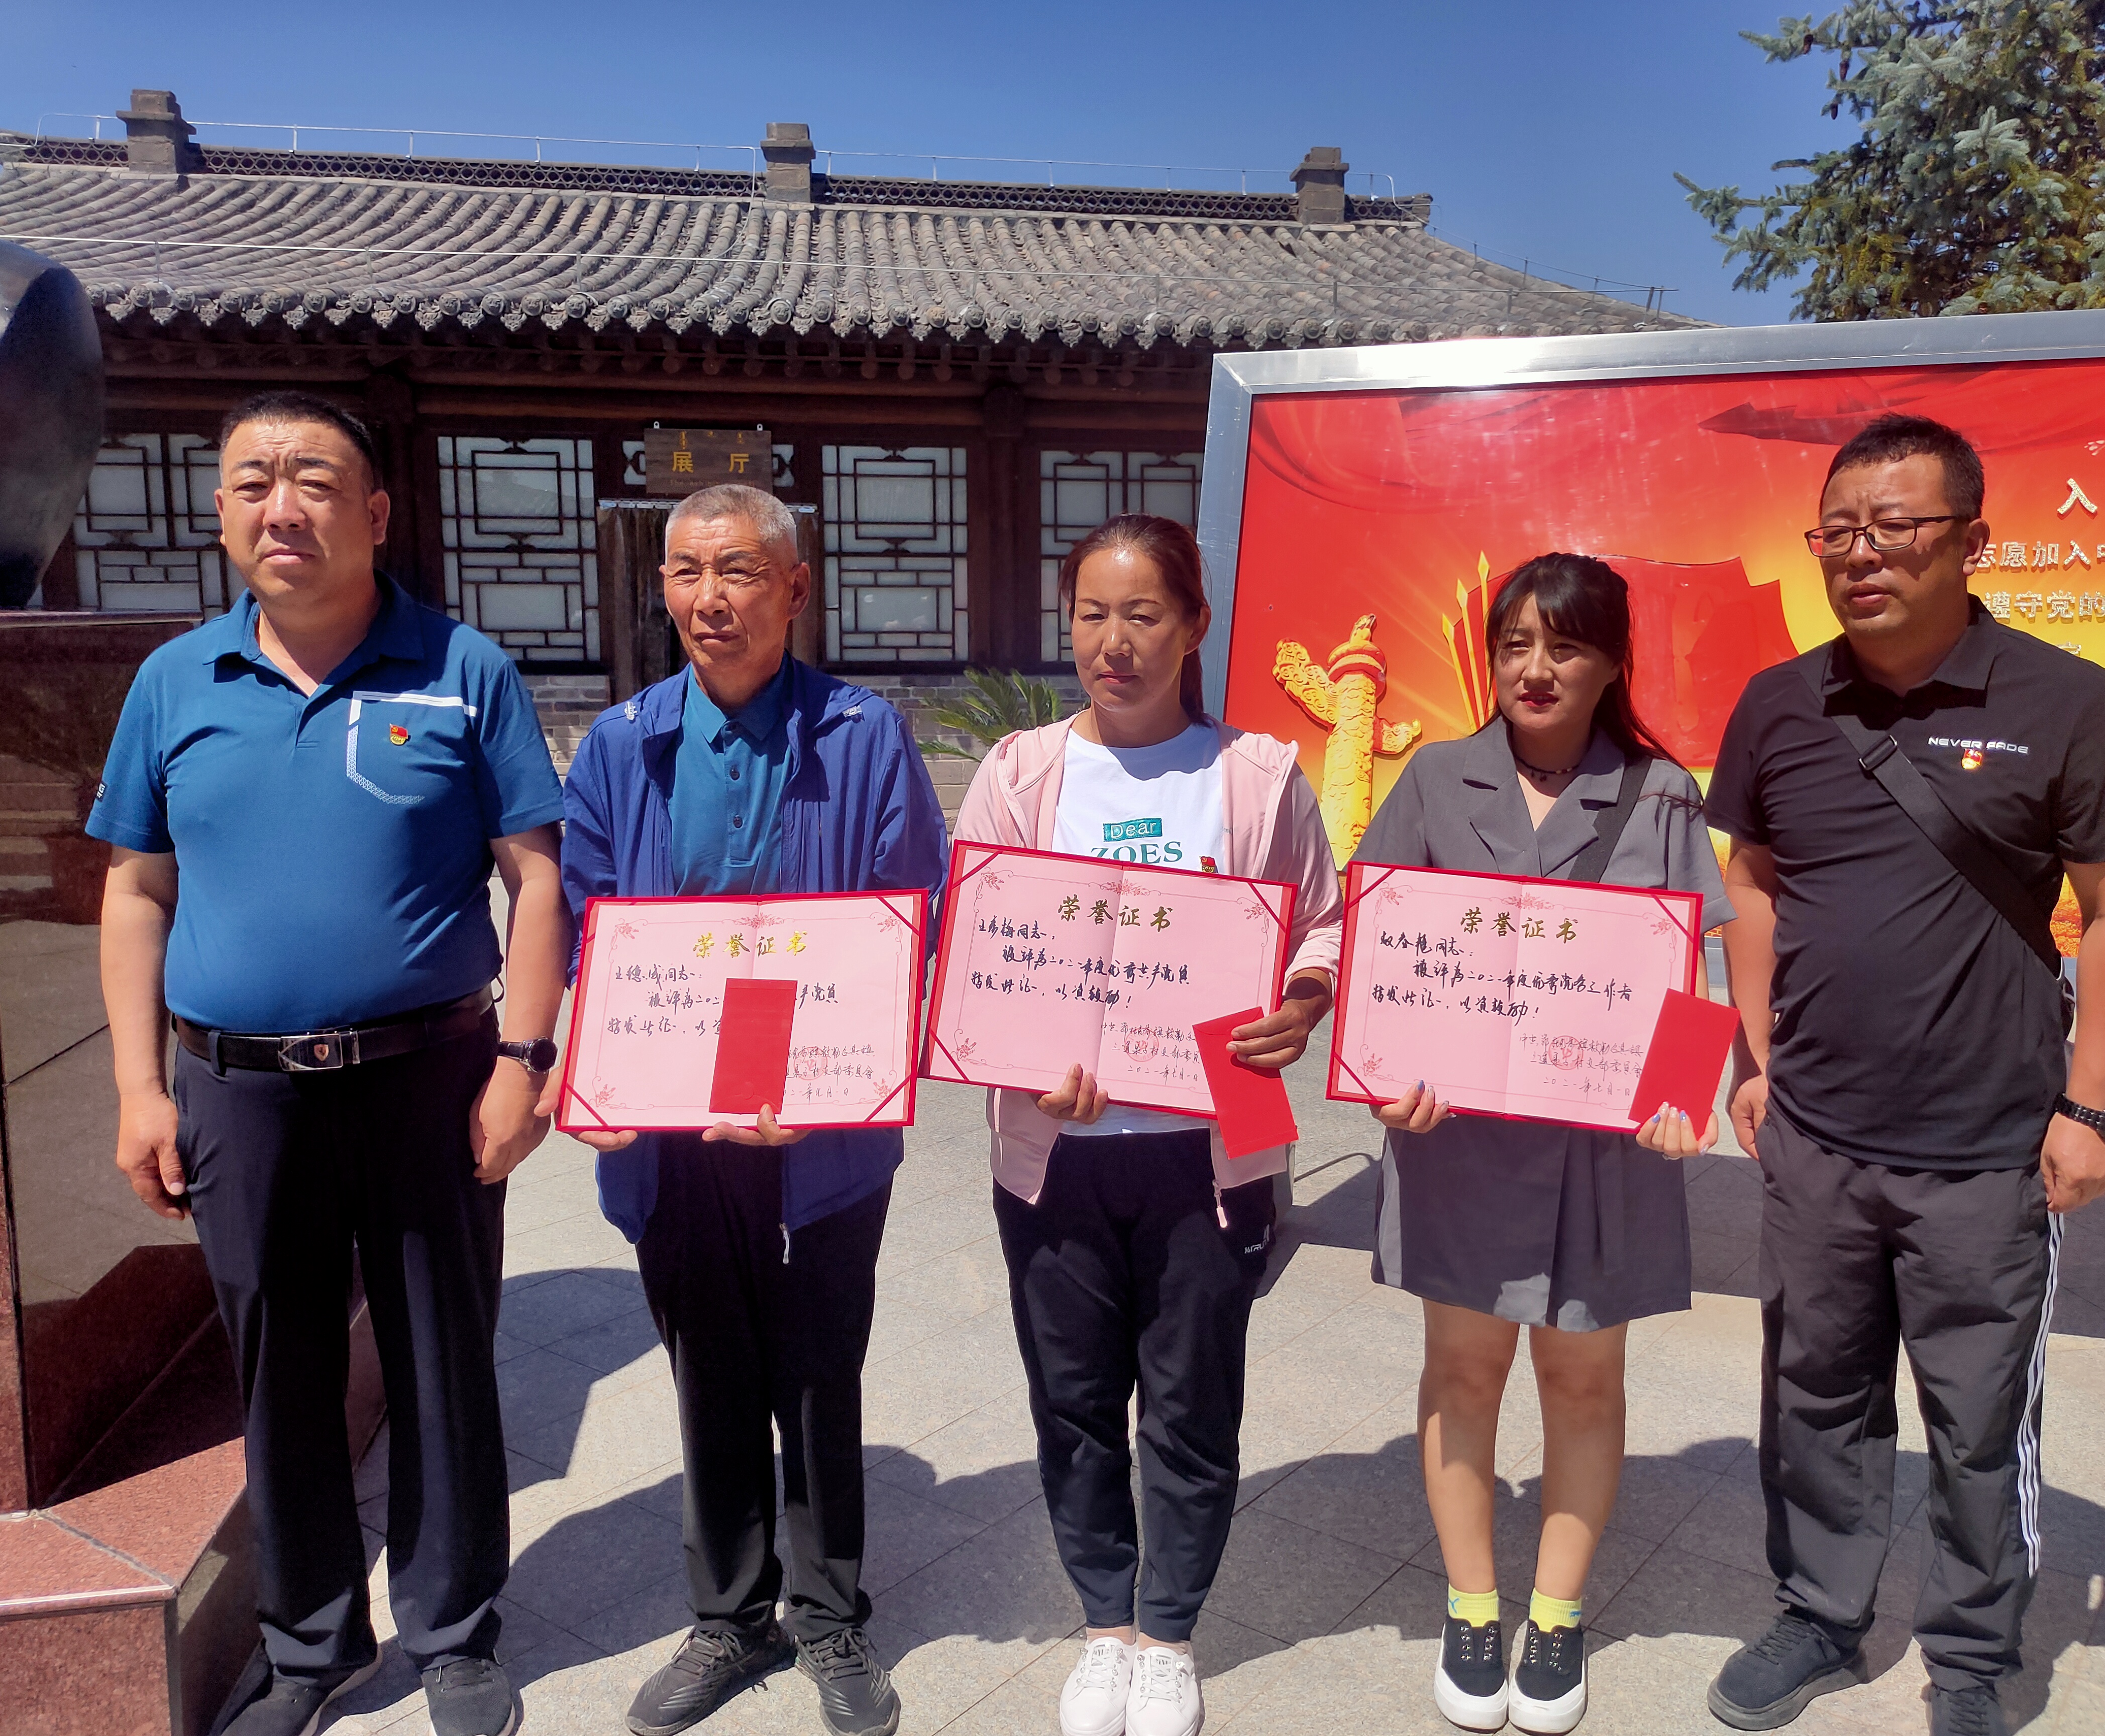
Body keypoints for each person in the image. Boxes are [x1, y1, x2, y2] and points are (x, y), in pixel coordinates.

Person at [91, 391, 568, 1736]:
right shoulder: (175, 683)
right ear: (221, 514)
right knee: (279, 1367)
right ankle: (309, 1643)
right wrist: (139, 1088)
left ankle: (455, 1629)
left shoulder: (463, 667)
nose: (281, 507)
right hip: (238, 1090)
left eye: (312, 479)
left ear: (376, 512)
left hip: (430, 1072)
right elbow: (136, 891)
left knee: (441, 1355)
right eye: (252, 482)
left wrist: (523, 1061)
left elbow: (536, 878)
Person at [1702, 416, 2105, 1736]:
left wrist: (2091, 1108)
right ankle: (1819, 1612)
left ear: (1972, 542)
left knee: (1979, 1420)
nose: (1862, 555)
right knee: (1816, 1392)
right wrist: (1758, 1056)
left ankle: (1970, 1660)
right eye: (1839, 531)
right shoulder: (1779, 703)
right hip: (1819, 1139)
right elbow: (1752, 882)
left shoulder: (2068, 702)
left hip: (1988, 1148)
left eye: (1895, 527)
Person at [556, 482, 946, 1736]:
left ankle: (830, 1615)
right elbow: (589, 928)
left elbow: (909, 918)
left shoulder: (862, 735)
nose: (708, 598)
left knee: (820, 1372)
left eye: (737, 571)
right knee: (708, 1371)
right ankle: (729, 1616)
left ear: (794, 588)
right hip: (672, 1133)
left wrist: (827, 1079)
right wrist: (596, 1067)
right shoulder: (621, 744)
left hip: (818, 1129)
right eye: (685, 572)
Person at [952, 513, 1342, 1736]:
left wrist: (1303, 1002)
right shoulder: (1021, 774)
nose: (1112, 643)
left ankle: (1168, 1634)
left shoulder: (1257, 775)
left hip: (1209, 1150)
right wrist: (1023, 1059)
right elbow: (977, 944)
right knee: (1072, 1403)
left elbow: (1322, 921)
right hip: (1056, 1154)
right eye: (1091, 615)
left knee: (1190, 1405)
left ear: (1195, 627)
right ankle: (1104, 1629)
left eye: (1143, 615)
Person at [1349, 554, 1733, 1734]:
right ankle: (1473, 1606)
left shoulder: (1662, 794)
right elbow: (1381, 945)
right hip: (1457, 1142)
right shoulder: (1433, 777)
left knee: (1583, 1377)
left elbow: (1696, 965)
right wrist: (1382, 1079)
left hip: (1605, 1155)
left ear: (1612, 661)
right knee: (1463, 1373)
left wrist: (1682, 1097)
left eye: (1564, 645)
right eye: (1515, 643)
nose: (1535, 668)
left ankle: (1556, 1617)